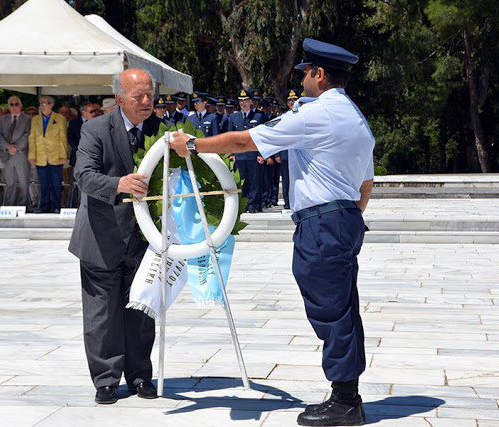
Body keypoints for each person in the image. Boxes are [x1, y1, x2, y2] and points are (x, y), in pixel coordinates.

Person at [170, 38, 374, 426]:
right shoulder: (354, 117)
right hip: (344, 218)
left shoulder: (317, 114)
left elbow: (243, 140)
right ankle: (346, 394)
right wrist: (343, 217)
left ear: (320, 74)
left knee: (331, 311)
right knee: (342, 308)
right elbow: (366, 184)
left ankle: (345, 401)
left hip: (322, 223)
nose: (302, 82)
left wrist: (192, 145)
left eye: (306, 74)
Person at [68, 68, 158, 405]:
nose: (147, 101)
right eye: (138, 96)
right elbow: (84, 176)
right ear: (119, 98)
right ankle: (106, 380)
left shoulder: (162, 130)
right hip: (101, 236)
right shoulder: (94, 129)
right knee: (102, 313)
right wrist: (118, 184)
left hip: (143, 239)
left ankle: (140, 376)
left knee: (141, 310)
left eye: (150, 94)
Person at [28, 95, 68, 214]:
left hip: (55, 156)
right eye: (40, 104)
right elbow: (32, 137)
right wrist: (32, 155)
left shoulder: (60, 118)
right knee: (43, 184)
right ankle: (43, 206)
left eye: (44, 103)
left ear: (51, 105)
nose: (41, 106)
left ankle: (56, 206)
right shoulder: (35, 119)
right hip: (41, 156)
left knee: (56, 183)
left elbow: (63, 138)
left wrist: (63, 155)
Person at [228, 89, 264, 213]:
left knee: (254, 180)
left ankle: (253, 204)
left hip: (253, 154)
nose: (243, 103)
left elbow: (262, 137)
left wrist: (261, 154)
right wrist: (232, 153)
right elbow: (230, 137)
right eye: (241, 101)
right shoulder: (233, 117)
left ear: (250, 102)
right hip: (240, 156)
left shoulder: (258, 116)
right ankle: (243, 204)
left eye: (245, 101)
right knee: (242, 180)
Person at [0, 96, 32, 207]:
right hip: (7, 154)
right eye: (11, 104)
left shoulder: (28, 118)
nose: (14, 107)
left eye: (16, 104)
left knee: (23, 182)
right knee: (10, 183)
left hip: (21, 154)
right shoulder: (3, 119)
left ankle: (24, 206)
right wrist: (8, 147)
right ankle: (10, 205)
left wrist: (15, 147)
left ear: (21, 106)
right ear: (8, 107)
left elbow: (28, 135)